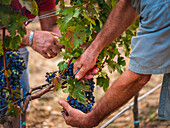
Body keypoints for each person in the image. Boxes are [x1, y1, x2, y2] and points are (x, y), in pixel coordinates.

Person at [58, 0, 170, 127]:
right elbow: (128, 4)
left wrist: (89, 120)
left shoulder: (160, 7)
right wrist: (93, 50)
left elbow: (138, 77)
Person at [0, 0, 63, 127]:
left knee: (17, 103)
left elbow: (51, 26)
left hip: (12, 48)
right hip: (13, 42)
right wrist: (30, 38)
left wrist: (73, 40)